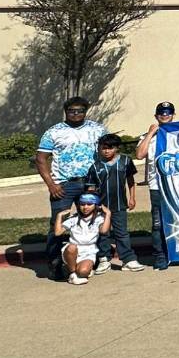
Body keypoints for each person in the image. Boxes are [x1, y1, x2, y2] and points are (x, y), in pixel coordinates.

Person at [37, 96, 107, 280]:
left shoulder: (97, 129)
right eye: (71, 111)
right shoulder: (54, 132)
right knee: (58, 223)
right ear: (66, 112)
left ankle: (95, 259)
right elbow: (41, 159)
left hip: (90, 184)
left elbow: (108, 152)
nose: (76, 114)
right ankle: (55, 264)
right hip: (64, 185)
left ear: (86, 111)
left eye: (80, 111)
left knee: (93, 220)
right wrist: (51, 184)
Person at [84, 133, 145, 273]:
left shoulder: (125, 161)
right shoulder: (95, 167)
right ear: (99, 149)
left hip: (119, 204)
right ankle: (104, 259)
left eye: (110, 148)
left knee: (122, 233)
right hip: (101, 207)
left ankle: (128, 259)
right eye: (103, 148)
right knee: (103, 233)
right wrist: (93, 205)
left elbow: (130, 180)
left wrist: (132, 198)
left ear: (117, 148)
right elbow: (90, 188)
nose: (106, 151)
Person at [132, 102, 179, 270]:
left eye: (168, 113)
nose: (165, 115)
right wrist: (150, 133)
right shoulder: (149, 136)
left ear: (173, 115)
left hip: (178, 185)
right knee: (158, 223)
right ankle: (160, 255)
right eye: (161, 113)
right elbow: (140, 155)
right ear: (156, 116)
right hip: (157, 185)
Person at [53, 193, 111, 285]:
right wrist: (59, 216)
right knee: (72, 247)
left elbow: (104, 231)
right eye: (82, 204)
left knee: (83, 272)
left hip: (89, 251)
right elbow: (57, 232)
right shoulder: (74, 219)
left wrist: (108, 214)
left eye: (89, 204)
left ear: (96, 205)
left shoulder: (99, 219)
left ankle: (76, 269)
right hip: (73, 250)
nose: (85, 207)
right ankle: (72, 274)